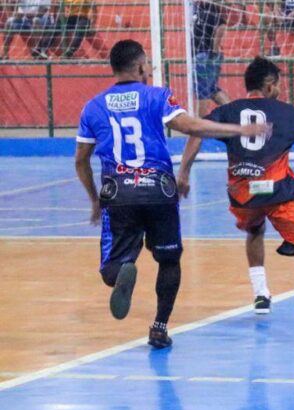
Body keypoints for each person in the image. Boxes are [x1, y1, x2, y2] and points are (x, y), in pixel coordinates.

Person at [74, 40, 267, 348]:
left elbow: (81, 160)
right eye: (147, 64)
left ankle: (122, 268)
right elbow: (191, 126)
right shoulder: (157, 96)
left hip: (119, 192)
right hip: (159, 190)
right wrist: (240, 130)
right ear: (139, 67)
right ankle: (159, 327)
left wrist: (95, 199)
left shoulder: (93, 106)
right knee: (169, 259)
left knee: (111, 268)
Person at [176, 57, 294, 327]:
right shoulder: (288, 113)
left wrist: (183, 172)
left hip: (242, 194)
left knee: (255, 231)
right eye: (277, 85)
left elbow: (196, 132)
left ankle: (260, 294)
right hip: (278, 193)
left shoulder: (229, 110)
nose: (279, 90)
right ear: (268, 86)